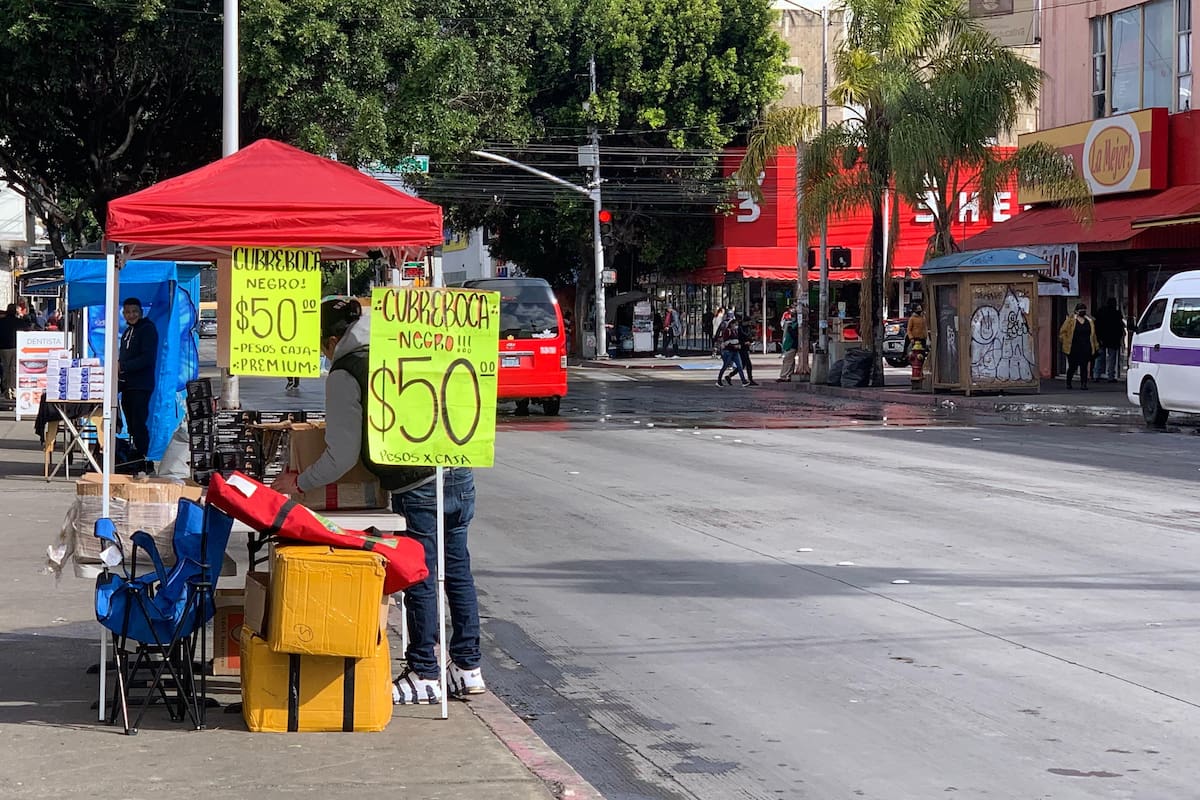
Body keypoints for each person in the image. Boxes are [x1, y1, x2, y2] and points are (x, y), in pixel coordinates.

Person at [271, 299, 485, 705]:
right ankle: (467, 667)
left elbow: (342, 455)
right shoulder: (404, 345)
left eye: (322, 347)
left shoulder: (348, 369)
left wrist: (299, 481)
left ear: (333, 339)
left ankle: (424, 670)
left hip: (416, 482)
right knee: (458, 570)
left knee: (421, 572)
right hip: (459, 470)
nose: (323, 355)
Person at [118, 297, 159, 466]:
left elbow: (147, 358)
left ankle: (143, 457)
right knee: (131, 423)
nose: (131, 315)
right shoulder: (128, 331)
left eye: (134, 311)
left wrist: (124, 366)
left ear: (141, 312)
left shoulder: (147, 329)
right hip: (127, 385)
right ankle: (134, 455)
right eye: (127, 312)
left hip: (141, 385)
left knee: (138, 422)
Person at [1059, 302, 1098, 390]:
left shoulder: (1089, 321)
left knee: (1084, 366)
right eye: (1081, 310)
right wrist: (1065, 341)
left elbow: (1093, 335)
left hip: (1086, 347)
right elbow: (1062, 332)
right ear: (1076, 311)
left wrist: (1096, 346)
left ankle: (1083, 384)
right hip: (1073, 348)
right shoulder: (1070, 321)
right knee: (1072, 366)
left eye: (1084, 310)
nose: (1082, 312)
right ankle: (1068, 382)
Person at [1093, 297, 1125, 382]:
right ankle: (1110, 376)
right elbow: (1119, 327)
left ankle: (1096, 375)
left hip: (1102, 338)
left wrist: (1098, 337)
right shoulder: (1116, 313)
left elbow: (1097, 325)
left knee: (1099, 357)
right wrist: (1120, 338)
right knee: (1112, 358)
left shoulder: (1101, 312)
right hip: (1113, 339)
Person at [715, 313, 748, 386]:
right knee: (725, 366)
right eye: (735, 324)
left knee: (740, 366)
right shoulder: (728, 331)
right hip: (728, 351)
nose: (736, 326)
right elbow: (726, 342)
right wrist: (734, 346)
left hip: (735, 351)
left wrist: (739, 345)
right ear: (731, 324)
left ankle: (744, 381)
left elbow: (736, 340)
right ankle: (719, 381)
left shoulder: (735, 331)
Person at [0, 304, 21, 400]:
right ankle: (13, 389)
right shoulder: (18, 321)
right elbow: (28, 327)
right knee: (13, 369)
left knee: (5, 369)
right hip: (16, 347)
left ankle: (5, 389)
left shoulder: (2, 321)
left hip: (3, 347)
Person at [776, 309, 799, 382]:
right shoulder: (791, 324)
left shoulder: (796, 325)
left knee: (787, 361)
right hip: (788, 345)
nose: (791, 317)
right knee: (790, 361)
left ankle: (784, 376)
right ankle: (789, 375)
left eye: (793, 315)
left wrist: (790, 329)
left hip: (792, 345)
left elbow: (795, 335)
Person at [737, 315, 759, 385]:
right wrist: (745, 342)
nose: (750, 324)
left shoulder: (747, 327)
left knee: (743, 365)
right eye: (748, 322)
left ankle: (729, 376)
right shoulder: (739, 328)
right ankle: (750, 379)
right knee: (748, 364)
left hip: (746, 346)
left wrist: (751, 340)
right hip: (741, 347)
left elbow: (748, 335)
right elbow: (741, 337)